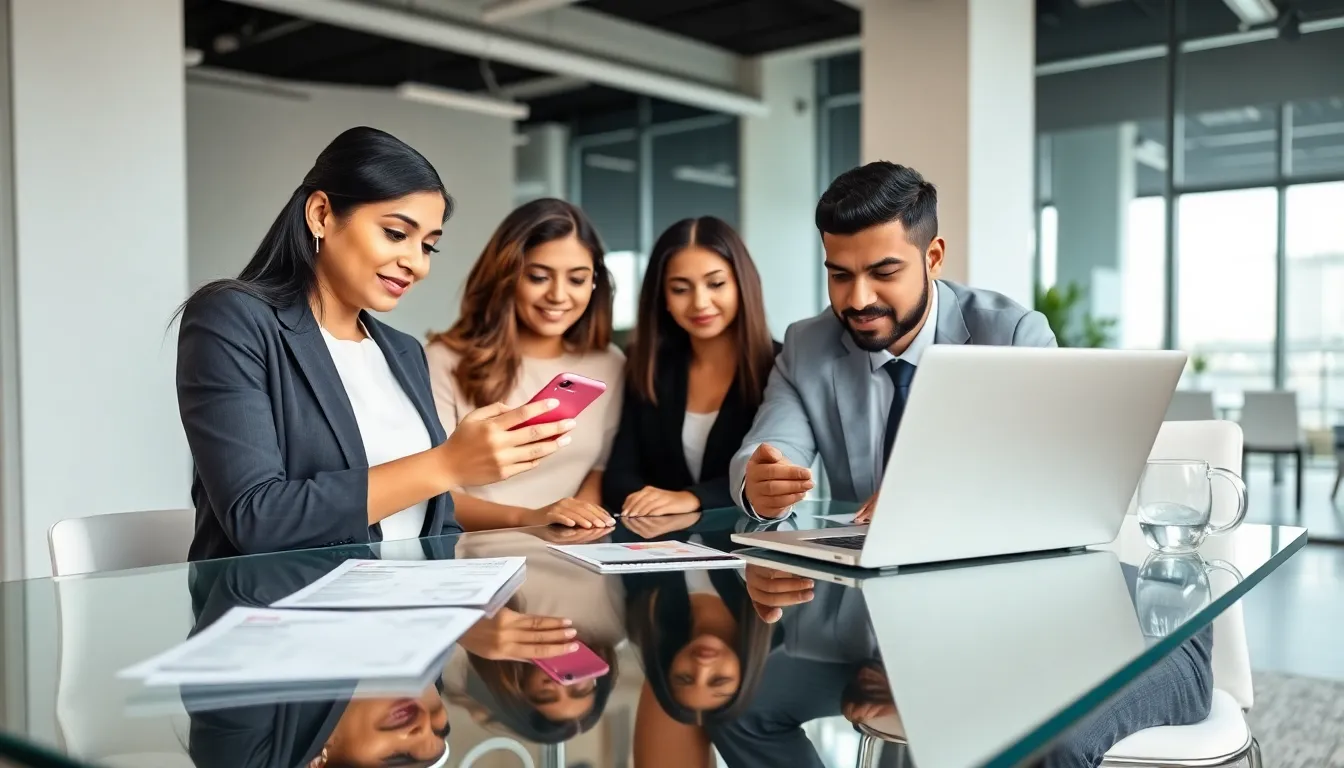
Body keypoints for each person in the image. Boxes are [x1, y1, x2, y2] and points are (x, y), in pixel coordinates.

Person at [177, 127, 571, 561]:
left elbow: (436, 520)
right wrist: (448, 464)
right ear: (322, 214)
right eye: (396, 234)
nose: (416, 264)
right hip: (287, 616)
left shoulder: (404, 352)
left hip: (414, 614)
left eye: (429, 247)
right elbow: (257, 518)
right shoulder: (232, 318)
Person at [729, 161, 1058, 523]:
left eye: (883, 273)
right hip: (854, 567)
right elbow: (770, 448)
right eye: (840, 275)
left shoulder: (1013, 338)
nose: (858, 300)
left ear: (932, 258)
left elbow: (1048, 471)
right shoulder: (807, 345)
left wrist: (936, 494)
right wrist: (760, 484)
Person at [426, 198, 623, 531]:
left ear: (594, 284)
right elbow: (435, 491)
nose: (559, 296)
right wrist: (529, 519)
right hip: (481, 559)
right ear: (507, 276)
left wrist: (583, 520)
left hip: (574, 555)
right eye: (538, 277)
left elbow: (599, 469)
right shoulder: (444, 360)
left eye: (576, 280)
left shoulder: (610, 363)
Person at [602, 216, 778, 516]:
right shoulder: (648, 366)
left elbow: (774, 475)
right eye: (680, 289)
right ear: (663, 298)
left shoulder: (780, 365)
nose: (699, 302)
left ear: (742, 284)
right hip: (659, 548)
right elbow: (619, 477)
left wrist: (693, 498)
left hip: (750, 547)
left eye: (716, 284)